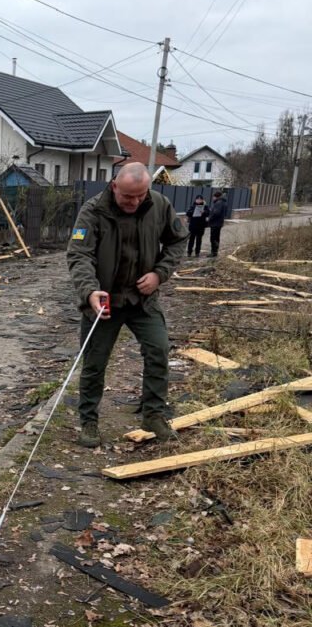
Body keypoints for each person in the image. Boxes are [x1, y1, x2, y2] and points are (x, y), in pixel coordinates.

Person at [66, 162, 187, 447]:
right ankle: (89, 421)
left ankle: (154, 415)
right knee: (94, 364)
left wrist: (160, 274)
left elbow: (178, 241)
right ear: (114, 186)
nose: (134, 202)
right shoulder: (93, 211)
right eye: (127, 196)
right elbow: (78, 255)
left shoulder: (159, 205)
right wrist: (89, 292)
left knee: (158, 352)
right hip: (104, 303)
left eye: (140, 195)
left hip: (142, 301)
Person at [208, 189, 227, 257]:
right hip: (219, 223)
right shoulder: (223, 202)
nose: (213, 198)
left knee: (213, 238)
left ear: (216, 197)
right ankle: (215, 252)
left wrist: (209, 218)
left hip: (215, 224)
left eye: (213, 197)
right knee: (217, 238)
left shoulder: (218, 203)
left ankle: (213, 252)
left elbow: (216, 213)